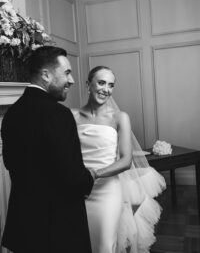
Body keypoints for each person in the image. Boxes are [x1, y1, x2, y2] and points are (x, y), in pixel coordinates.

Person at [1, 46, 95, 253]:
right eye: (67, 73)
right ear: (46, 75)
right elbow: (72, 177)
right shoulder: (59, 115)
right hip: (59, 230)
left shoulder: (11, 114)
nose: (71, 80)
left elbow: (9, 162)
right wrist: (89, 177)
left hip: (24, 227)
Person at [72, 66, 166, 253]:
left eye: (111, 85)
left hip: (106, 191)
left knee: (105, 245)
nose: (106, 89)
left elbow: (125, 160)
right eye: (101, 82)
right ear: (87, 85)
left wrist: (93, 175)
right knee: (80, 243)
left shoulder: (120, 118)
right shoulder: (72, 116)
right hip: (78, 191)